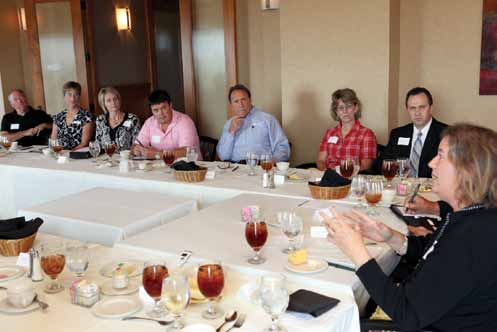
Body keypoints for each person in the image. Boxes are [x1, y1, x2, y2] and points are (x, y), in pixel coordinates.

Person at [322, 123, 497, 331]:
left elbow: (407, 314)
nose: (432, 163)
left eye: (441, 156)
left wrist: (356, 252)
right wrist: (392, 237)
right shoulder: (476, 216)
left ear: (467, 170)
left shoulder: (471, 237)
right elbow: (436, 252)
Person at [375, 87, 448, 178]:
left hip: (432, 189)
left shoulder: (447, 133)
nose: (417, 113)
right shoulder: (398, 134)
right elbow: (381, 165)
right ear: (407, 110)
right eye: (412, 108)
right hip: (402, 187)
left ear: (431, 108)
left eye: (422, 107)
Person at [216, 84, 290, 163]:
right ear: (231, 105)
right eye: (236, 101)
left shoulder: (267, 119)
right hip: (235, 169)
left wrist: (272, 162)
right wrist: (231, 132)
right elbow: (223, 156)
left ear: (250, 100)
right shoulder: (229, 124)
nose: (240, 105)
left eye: (243, 99)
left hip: (260, 168)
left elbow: (283, 147)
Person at [317, 88, 377, 171]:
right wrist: (325, 171)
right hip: (329, 177)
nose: (345, 111)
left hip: (351, 179)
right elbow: (321, 160)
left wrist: (343, 174)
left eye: (349, 106)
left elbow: (365, 166)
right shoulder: (329, 133)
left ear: (355, 108)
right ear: (336, 111)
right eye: (341, 108)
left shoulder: (366, 134)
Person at [131, 89, 200, 159]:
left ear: (170, 105)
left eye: (163, 108)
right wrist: (137, 149)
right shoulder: (149, 122)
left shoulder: (185, 121)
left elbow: (187, 152)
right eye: (156, 110)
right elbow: (136, 145)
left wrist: (157, 154)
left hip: (190, 167)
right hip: (162, 167)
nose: (160, 113)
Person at [95, 87, 140, 151]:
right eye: (108, 100)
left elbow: (137, 144)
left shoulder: (132, 119)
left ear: (119, 100)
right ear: (104, 104)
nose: (113, 103)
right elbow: (98, 143)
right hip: (105, 158)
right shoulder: (100, 119)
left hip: (126, 157)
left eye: (115, 99)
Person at [51, 81, 94, 150]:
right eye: (69, 94)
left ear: (79, 96)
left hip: (78, 154)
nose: (72, 99)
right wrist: (57, 152)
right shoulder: (58, 117)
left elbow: (84, 143)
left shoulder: (87, 116)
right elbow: (53, 140)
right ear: (64, 97)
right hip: (60, 154)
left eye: (76, 95)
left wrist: (70, 152)